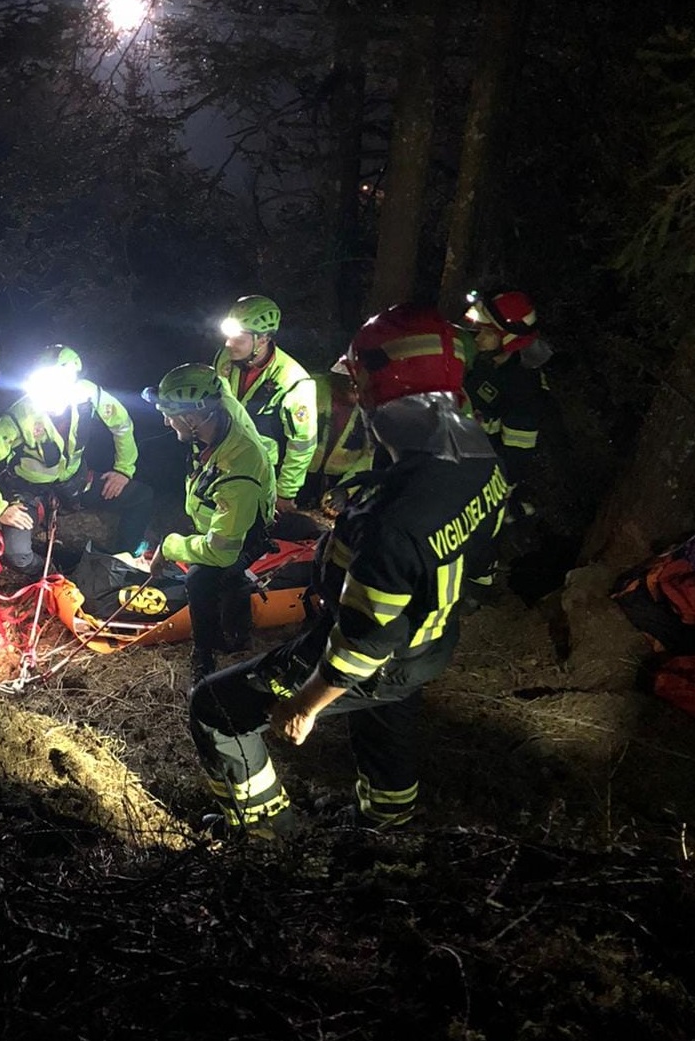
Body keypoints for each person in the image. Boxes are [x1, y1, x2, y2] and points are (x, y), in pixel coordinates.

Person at [187, 305, 506, 840]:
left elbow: (364, 639)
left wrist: (307, 704)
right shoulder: (474, 449)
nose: (354, 397)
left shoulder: (391, 519)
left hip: (377, 653)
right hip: (431, 641)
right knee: (387, 719)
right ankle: (385, 826)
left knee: (215, 706)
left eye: (359, 384)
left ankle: (264, 833)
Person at [142, 363, 275, 682]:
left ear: (191, 419)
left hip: (245, 532)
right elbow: (212, 378)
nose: (165, 420)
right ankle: (235, 605)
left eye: (170, 414)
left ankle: (208, 650)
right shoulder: (216, 403)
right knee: (220, 574)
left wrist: (171, 546)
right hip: (228, 509)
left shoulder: (237, 469)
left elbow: (222, 551)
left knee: (201, 578)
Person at [0, 344, 154, 577]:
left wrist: (123, 469)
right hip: (30, 492)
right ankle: (53, 576)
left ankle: (123, 561)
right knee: (17, 554)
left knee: (141, 496)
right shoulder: (20, 415)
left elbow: (121, 425)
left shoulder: (88, 395)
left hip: (76, 483)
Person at [213, 295, 317, 518]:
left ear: (263, 339)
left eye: (238, 339)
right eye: (227, 337)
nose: (228, 345)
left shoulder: (294, 381)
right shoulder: (225, 359)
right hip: (221, 464)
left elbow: (302, 443)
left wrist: (285, 492)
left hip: (261, 474)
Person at [461, 289, 553, 528]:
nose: (478, 337)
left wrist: (495, 494)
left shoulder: (524, 387)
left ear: (511, 339)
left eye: (488, 332)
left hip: (483, 478)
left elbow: (516, 455)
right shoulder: (487, 363)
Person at [297, 363, 377, 510]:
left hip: (342, 478)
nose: (352, 386)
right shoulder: (310, 386)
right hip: (299, 471)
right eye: (348, 380)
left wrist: (346, 489)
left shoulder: (373, 402)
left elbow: (370, 454)